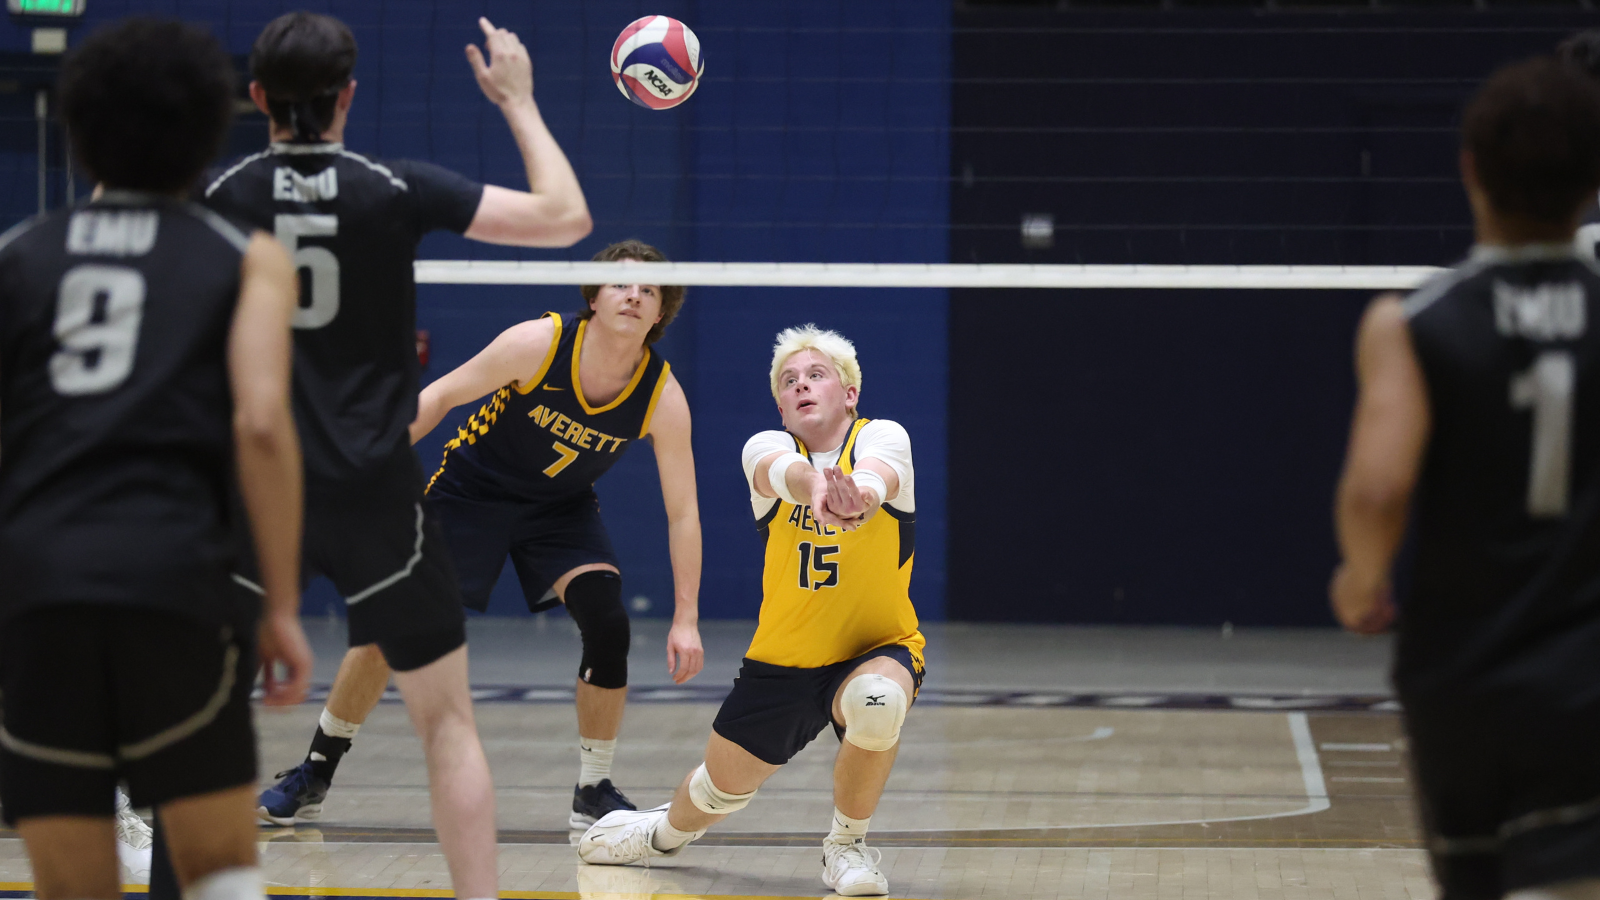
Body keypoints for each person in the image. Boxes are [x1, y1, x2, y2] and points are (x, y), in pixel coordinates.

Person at [166, 11, 589, 899]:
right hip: (376, 495)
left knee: (197, 728)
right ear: (349, 96)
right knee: (447, 727)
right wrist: (518, 100)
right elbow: (565, 216)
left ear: (259, 100)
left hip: (252, 495)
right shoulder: (392, 186)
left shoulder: (219, 194)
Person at [0, 17, 309, 900]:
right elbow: (260, 424)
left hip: (39, 592)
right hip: (175, 583)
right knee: (215, 868)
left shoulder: (18, 256)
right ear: (211, 136)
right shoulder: (246, 258)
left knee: (74, 885)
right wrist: (282, 604)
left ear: (77, 130)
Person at [1332, 58, 1600, 900]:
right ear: (1593, 180)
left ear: (1470, 169)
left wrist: (1362, 581)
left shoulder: (1411, 324)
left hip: (1464, 679)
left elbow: (1378, 491)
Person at [579, 325, 922, 898]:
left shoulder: (883, 435)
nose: (801, 386)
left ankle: (847, 847)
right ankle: (658, 833)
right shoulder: (767, 447)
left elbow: (878, 476)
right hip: (784, 661)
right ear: (782, 408)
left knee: (877, 702)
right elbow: (778, 472)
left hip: (876, 646)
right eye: (789, 382)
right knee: (718, 792)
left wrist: (857, 495)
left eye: (816, 375)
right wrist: (815, 485)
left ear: (850, 393)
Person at [409, 238, 705, 828]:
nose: (634, 295)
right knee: (393, 625)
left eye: (649, 290)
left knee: (608, 620)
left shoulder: (663, 396)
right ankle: (318, 765)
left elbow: (684, 513)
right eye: (622, 283)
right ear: (592, 295)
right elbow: (440, 395)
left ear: (661, 311)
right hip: (473, 492)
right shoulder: (538, 343)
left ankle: (592, 790)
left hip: (558, 508)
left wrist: (686, 617)